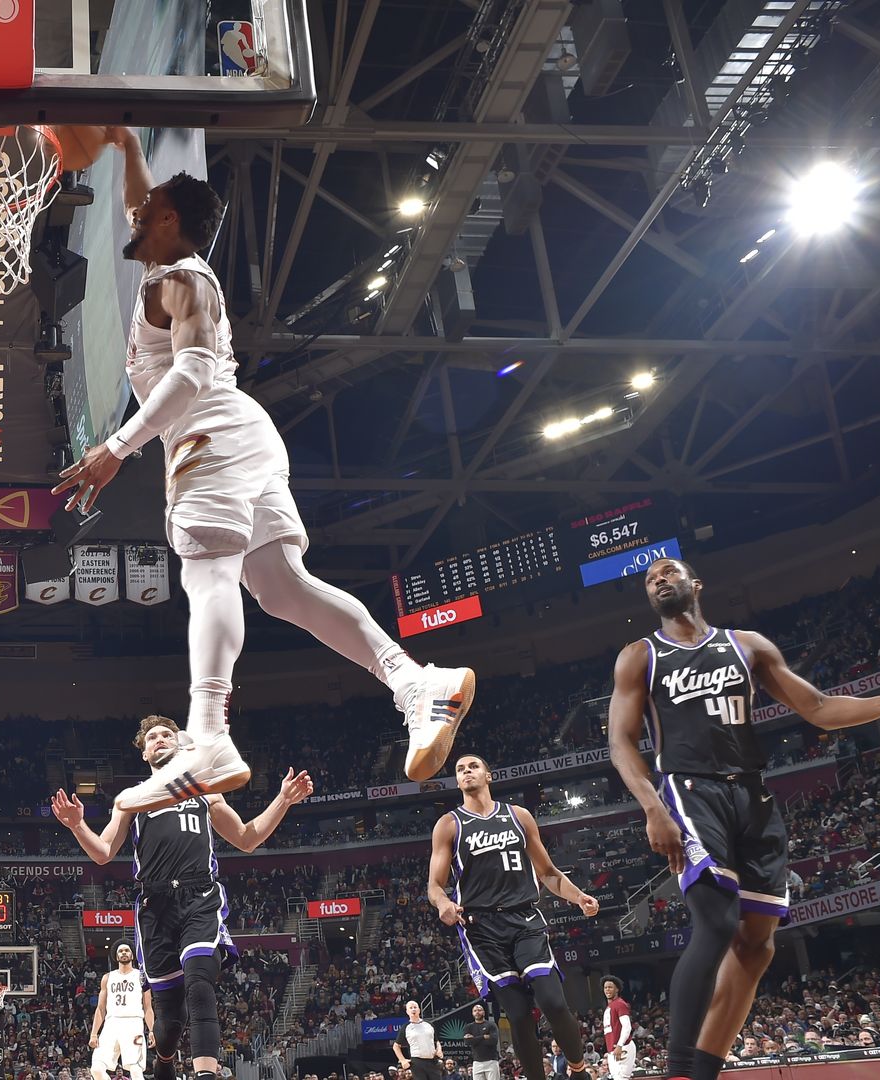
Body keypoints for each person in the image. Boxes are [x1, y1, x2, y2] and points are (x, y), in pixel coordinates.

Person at [52, 127, 476, 813]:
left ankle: (209, 736)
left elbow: (191, 371)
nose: (132, 217)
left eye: (145, 213)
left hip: (211, 435)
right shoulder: (173, 268)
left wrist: (116, 449)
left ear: (169, 221)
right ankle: (416, 682)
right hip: (239, 435)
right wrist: (127, 148)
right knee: (281, 588)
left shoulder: (182, 281)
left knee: (209, 573)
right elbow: (140, 205)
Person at [607, 558, 880, 1080]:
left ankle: (703, 1073)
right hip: (689, 789)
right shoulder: (641, 655)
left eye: (668, 572)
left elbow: (816, 706)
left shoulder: (747, 645)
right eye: (649, 578)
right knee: (717, 921)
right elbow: (620, 742)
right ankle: (679, 1071)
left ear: (695, 585)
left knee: (757, 946)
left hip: (752, 794)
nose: (658, 580)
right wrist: (653, 807)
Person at [51, 715, 313, 1080]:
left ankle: (206, 1073)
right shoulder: (131, 800)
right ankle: (165, 1061)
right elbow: (103, 852)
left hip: (199, 895)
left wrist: (283, 800)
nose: (159, 739)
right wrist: (77, 825)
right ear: (144, 753)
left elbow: (247, 838)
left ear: (180, 745)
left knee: (200, 982)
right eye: (152, 737)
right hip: (154, 907)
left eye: (166, 734)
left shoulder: (205, 791)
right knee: (169, 1021)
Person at [428, 755, 597, 1078]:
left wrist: (578, 896)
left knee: (553, 1002)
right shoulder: (449, 824)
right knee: (518, 1015)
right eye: (460, 769)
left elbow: (548, 873)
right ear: (457, 781)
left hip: (525, 920)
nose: (466, 771)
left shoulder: (518, 815)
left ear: (488, 775)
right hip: (482, 928)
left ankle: (578, 1070)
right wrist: (442, 903)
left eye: (473, 766)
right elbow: (435, 885)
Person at [88, 944, 153, 1080]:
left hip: (133, 1022)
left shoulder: (141, 976)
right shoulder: (107, 977)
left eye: (127, 950)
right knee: (96, 1069)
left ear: (132, 955)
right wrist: (94, 1034)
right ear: (116, 956)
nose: (124, 953)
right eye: (121, 951)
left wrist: (152, 1030)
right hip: (111, 1023)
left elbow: (148, 1007)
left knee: (136, 1070)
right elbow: (100, 1008)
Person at [393, 1002, 439, 1080]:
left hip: (432, 1060)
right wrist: (402, 1060)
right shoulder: (405, 1027)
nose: (413, 1009)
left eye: (415, 1007)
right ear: (407, 1012)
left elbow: (437, 1041)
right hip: (417, 1061)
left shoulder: (429, 1024)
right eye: (411, 1008)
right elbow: (396, 1046)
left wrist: (439, 1050)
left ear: (419, 1010)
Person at [602, 977, 635, 1080]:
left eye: (610, 987)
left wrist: (620, 1045)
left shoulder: (620, 1004)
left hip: (623, 1046)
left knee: (621, 1078)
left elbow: (627, 1026)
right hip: (613, 1049)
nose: (607, 989)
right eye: (605, 987)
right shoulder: (609, 1007)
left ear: (617, 989)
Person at [462, 1003, 500, 1080]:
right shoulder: (469, 1027)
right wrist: (483, 1037)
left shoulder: (491, 1025)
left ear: (484, 1012)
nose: (477, 1012)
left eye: (479, 1010)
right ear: (472, 1013)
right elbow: (467, 1042)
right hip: (477, 1062)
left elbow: (493, 1041)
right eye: (475, 1011)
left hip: (491, 1061)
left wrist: (474, 1039)